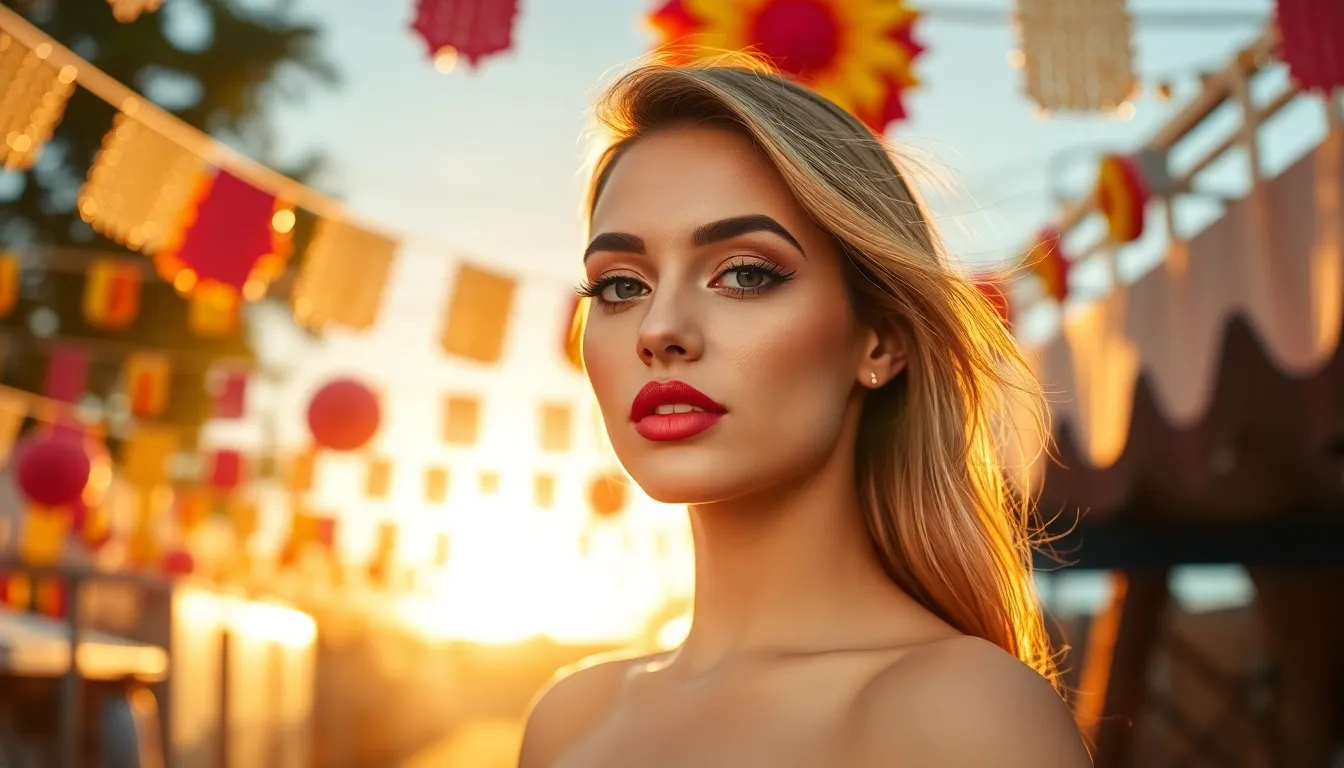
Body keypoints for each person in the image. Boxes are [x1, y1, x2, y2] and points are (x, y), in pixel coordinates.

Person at [518, 56, 1091, 767]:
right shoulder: (568, 720)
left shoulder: (967, 714)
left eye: (745, 274)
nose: (658, 329)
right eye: (620, 286)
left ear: (878, 340)